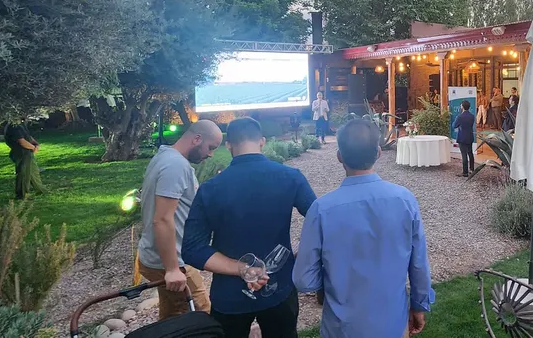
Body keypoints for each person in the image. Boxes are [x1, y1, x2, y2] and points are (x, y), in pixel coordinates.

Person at [293, 120, 434, 338]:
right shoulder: (405, 199)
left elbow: (304, 280)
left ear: (340, 156)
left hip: (342, 328)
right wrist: (419, 305)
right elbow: (418, 265)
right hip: (392, 325)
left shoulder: (321, 209)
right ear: (378, 153)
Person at [182, 118, 317, 338]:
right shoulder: (291, 178)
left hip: (229, 294)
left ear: (229, 145)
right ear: (262, 141)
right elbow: (319, 220)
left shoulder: (210, 189)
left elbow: (192, 248)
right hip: (279, 286)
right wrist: (305, 255)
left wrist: (241, 268)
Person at [138, 120, 222, 320]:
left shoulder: (166, 157)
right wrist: (173, 269)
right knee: (201, 313)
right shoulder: (176, 165)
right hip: (170, 260)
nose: (210, 154)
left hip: (163, 256)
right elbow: (162, 219)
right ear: (197, 139)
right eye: (210, 148)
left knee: (173, 316)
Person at [4, 120, 44, 200]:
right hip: (21, 152)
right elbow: (21, 141)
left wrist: (36, 144)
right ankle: (22, 195)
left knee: (33, 171)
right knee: (24, 173)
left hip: (27, 152)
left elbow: (27, 136)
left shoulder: (21, 124)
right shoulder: (14, 126)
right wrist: (33, 147)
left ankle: (40, 190)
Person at [453, 100, 476, 177]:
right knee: (470, 153)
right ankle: (472, 169)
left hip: (462, 137)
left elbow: (454, 126)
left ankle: (465, 172)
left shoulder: (459, 116)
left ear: (462, 107)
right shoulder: (472, 116)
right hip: (469, 136)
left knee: (464, 154)